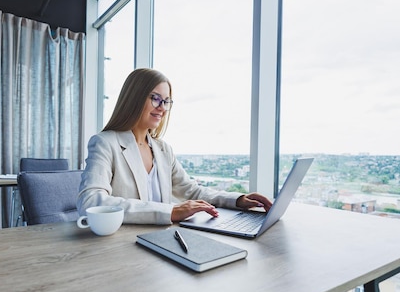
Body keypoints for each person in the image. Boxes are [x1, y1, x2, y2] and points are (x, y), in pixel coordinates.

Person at [77, 68, 272, 225]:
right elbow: (91, 201)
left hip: (162, 241)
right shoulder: (105, 143)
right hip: (122, 246)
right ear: (134, 99)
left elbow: (193, 192)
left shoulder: (163, 150)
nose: (162, 107)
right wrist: (170, 211)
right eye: (155, 98)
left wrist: (237, 199)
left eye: (166, 101)